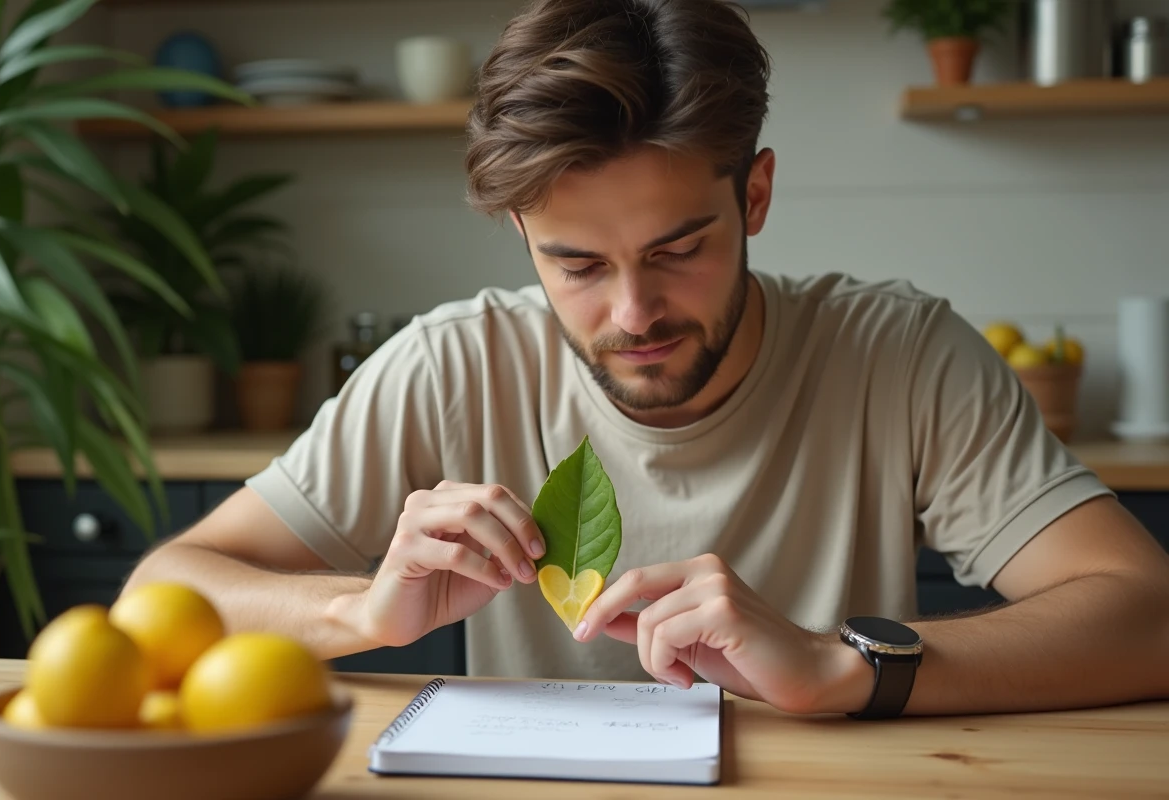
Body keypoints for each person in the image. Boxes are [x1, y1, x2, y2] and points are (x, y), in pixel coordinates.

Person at [122, 0, 1169, 718]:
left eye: (680, 250)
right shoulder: (453, 362)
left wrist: (841, 668)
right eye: (575, 262)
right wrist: (358, 610)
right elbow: (159, 593)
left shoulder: (897, 354)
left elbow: (1147, 613)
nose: (633, 311)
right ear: (523, 236)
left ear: (753, 195)